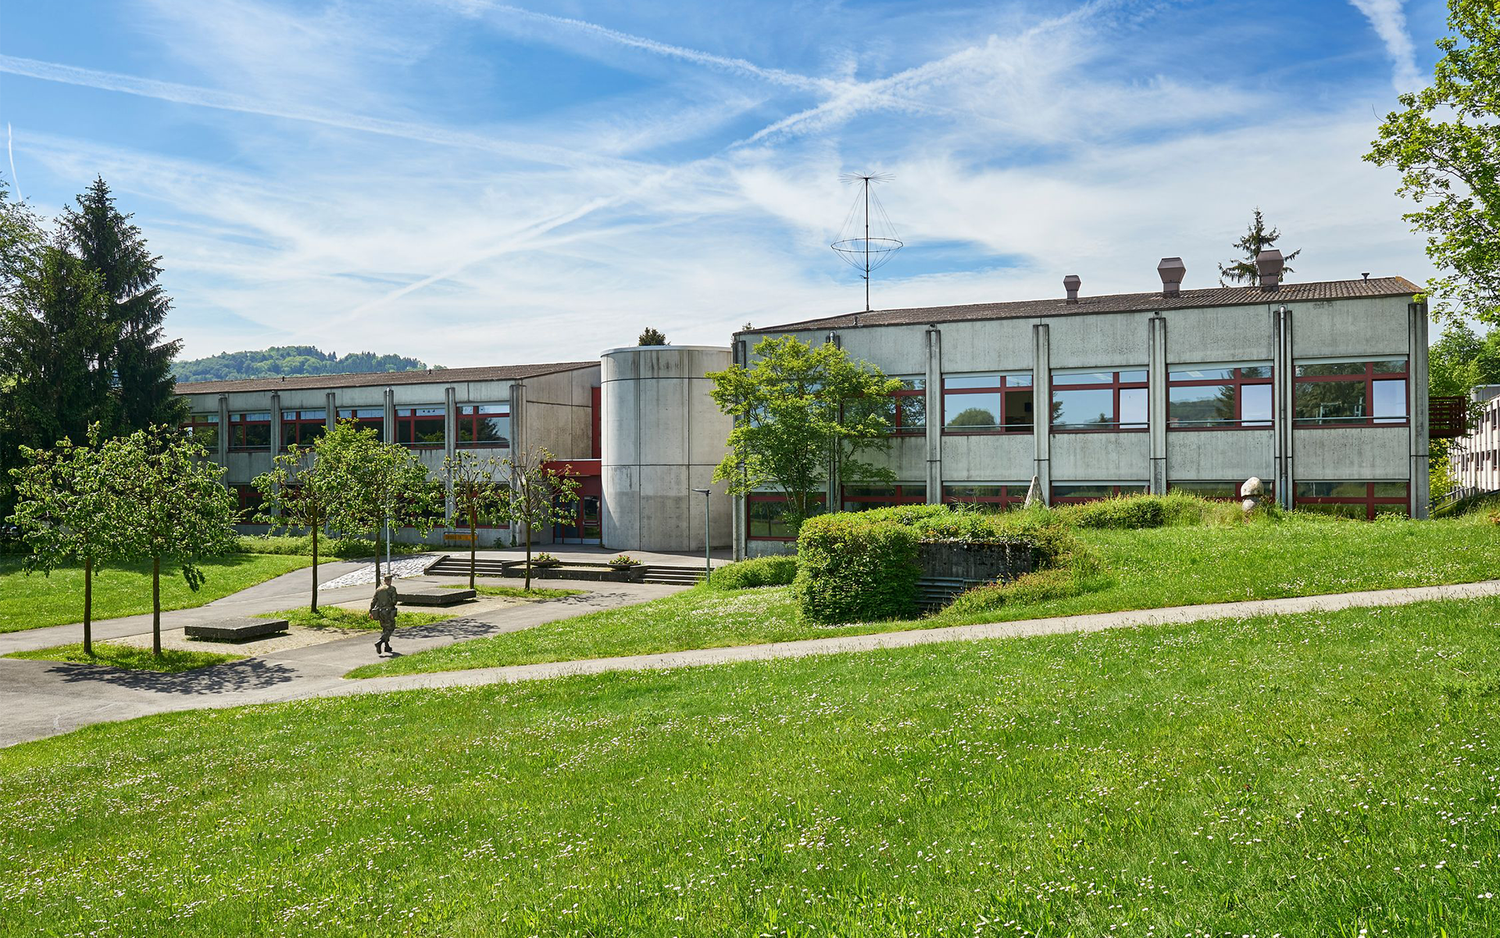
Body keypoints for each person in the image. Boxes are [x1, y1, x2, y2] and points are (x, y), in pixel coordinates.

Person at [369, 575, 399, 654]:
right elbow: (394, 601)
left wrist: (370, 611)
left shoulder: (378, 589)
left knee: (385, 628)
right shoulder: (392, 589)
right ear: (390, 581)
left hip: (380, 612)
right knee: (391, 628)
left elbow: (373, 601)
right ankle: (380, 642)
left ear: (384, 580)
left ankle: (387, 646)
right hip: (388, 612)